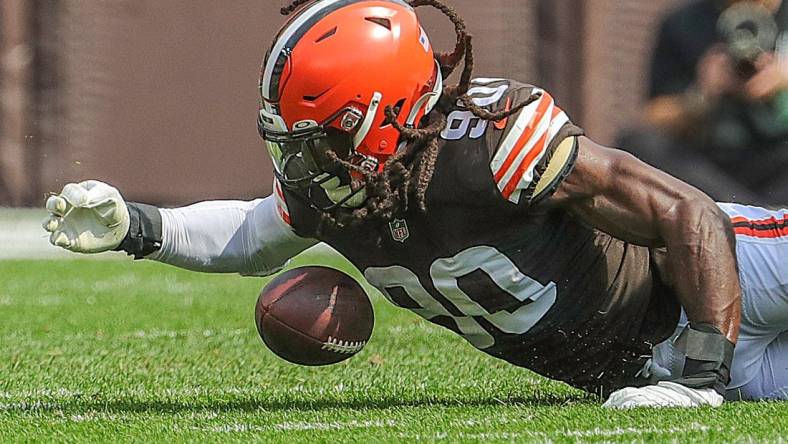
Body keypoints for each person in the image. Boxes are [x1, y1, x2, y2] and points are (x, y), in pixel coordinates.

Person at [42, 0, 788, 407]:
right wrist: (137, 227)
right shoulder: (345, 188)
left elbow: (688, 215)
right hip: (649, 365)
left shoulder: (492, 144)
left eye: (326, 135)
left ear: (387, 112)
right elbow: (251, 235)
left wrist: (701, 376)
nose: (305, 159)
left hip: (730, 277)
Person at [621, 0, 788, 204]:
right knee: (638, 146)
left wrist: (783, 78)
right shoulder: (683, 22)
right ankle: (754, 218)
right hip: (707, 166)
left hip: (778, 160)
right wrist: (703, 93)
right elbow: (653, 118)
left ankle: (741, 218)